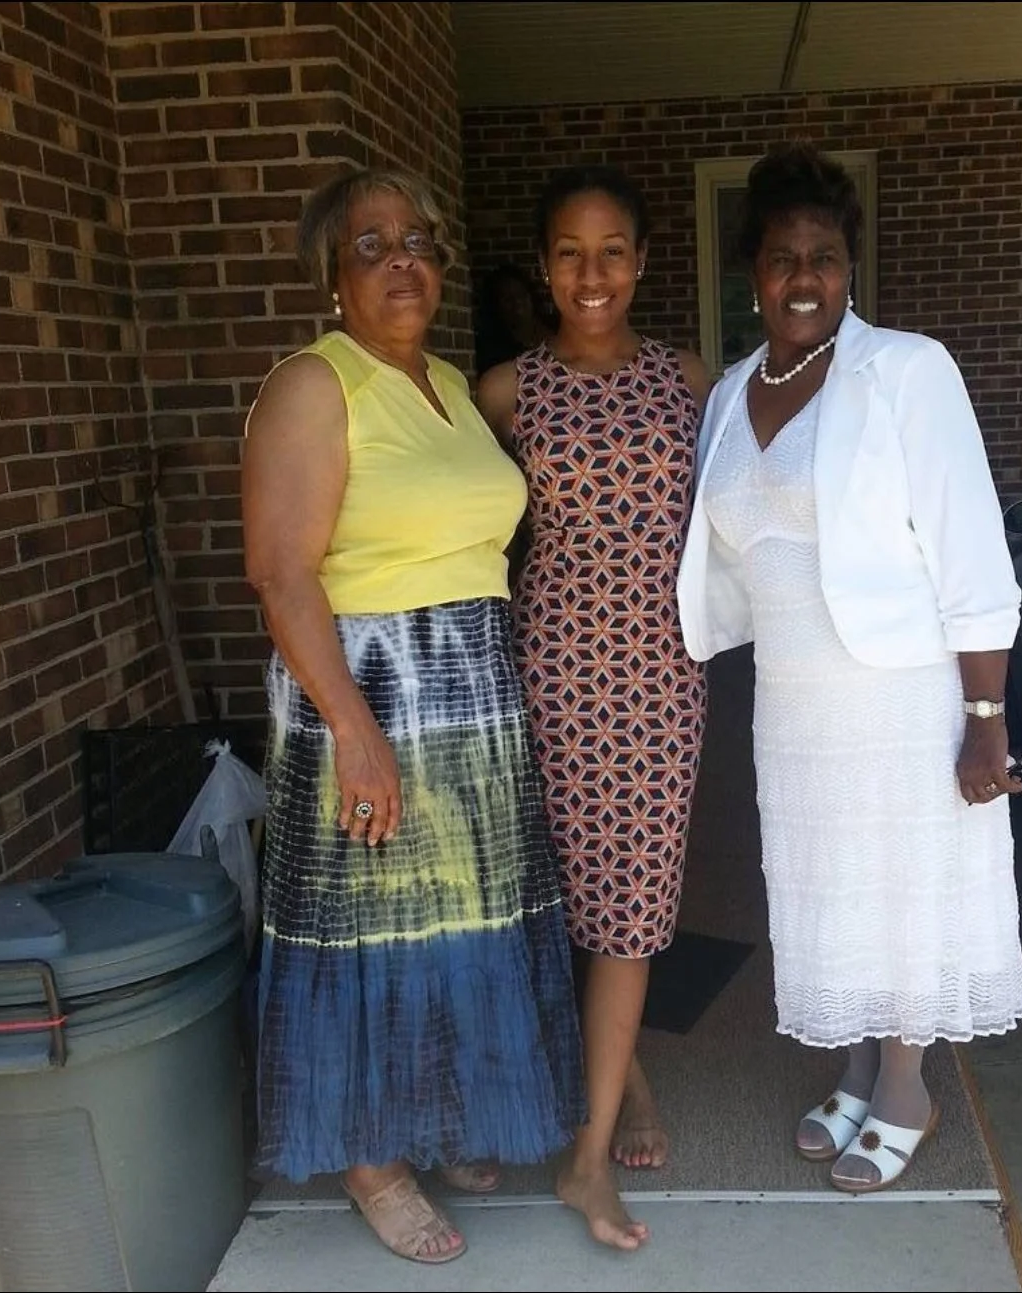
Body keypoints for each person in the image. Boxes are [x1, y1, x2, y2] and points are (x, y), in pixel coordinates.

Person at [241, 165, 586, 1264]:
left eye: (419, 242)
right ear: (332, 277)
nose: (404, 261)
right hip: (371, 685)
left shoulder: (446, 382)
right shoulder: (313, 383)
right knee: (360, 928)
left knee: (454, 916)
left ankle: (432, 1115)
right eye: (373, 244)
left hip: (472, 687)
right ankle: (370, 1160)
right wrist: (353, 730)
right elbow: (281, 573)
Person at [676, 142, 1022, 1194]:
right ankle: (860, 1058)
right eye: (782, 258)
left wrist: (986, 717)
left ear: (849, 269)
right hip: (793, 701)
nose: (803, 278)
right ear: (753, 273)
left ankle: (910, 1083)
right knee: (828, 884)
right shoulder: (731, 394)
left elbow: (970, 548)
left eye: (823, 257)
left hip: (902, 694)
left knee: (900, 885)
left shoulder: (906, 372)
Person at [477, 165, 711, 1249]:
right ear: (542, 266)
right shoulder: (504, 392)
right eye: (569, 251)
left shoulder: (690, 382)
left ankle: (587, 1159)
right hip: (553, 670)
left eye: (613, 248)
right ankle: (620, 1081)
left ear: (644, 261)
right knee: (558, 896)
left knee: (633, 903)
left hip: (662, 675)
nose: (591, 272)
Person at [474, 262, 550, 376]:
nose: (517, 302)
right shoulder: (495, 350)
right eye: (508, 298)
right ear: (495, 305)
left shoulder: (555, 326)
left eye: (521, 294)